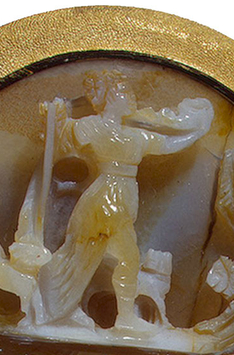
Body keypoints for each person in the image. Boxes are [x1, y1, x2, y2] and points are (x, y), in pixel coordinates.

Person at [39, 70, 213, 330]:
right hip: (105, 200)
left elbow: (168, 141)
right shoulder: (92, 126)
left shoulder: (135, 135)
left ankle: (60, 306)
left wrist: (196, 124)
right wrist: (56, 115)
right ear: (108, 96)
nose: (130, 96)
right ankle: (110, 316)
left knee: (81, 255)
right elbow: (62, 139)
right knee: (107, 257)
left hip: (119, 199)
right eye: (123, 91)